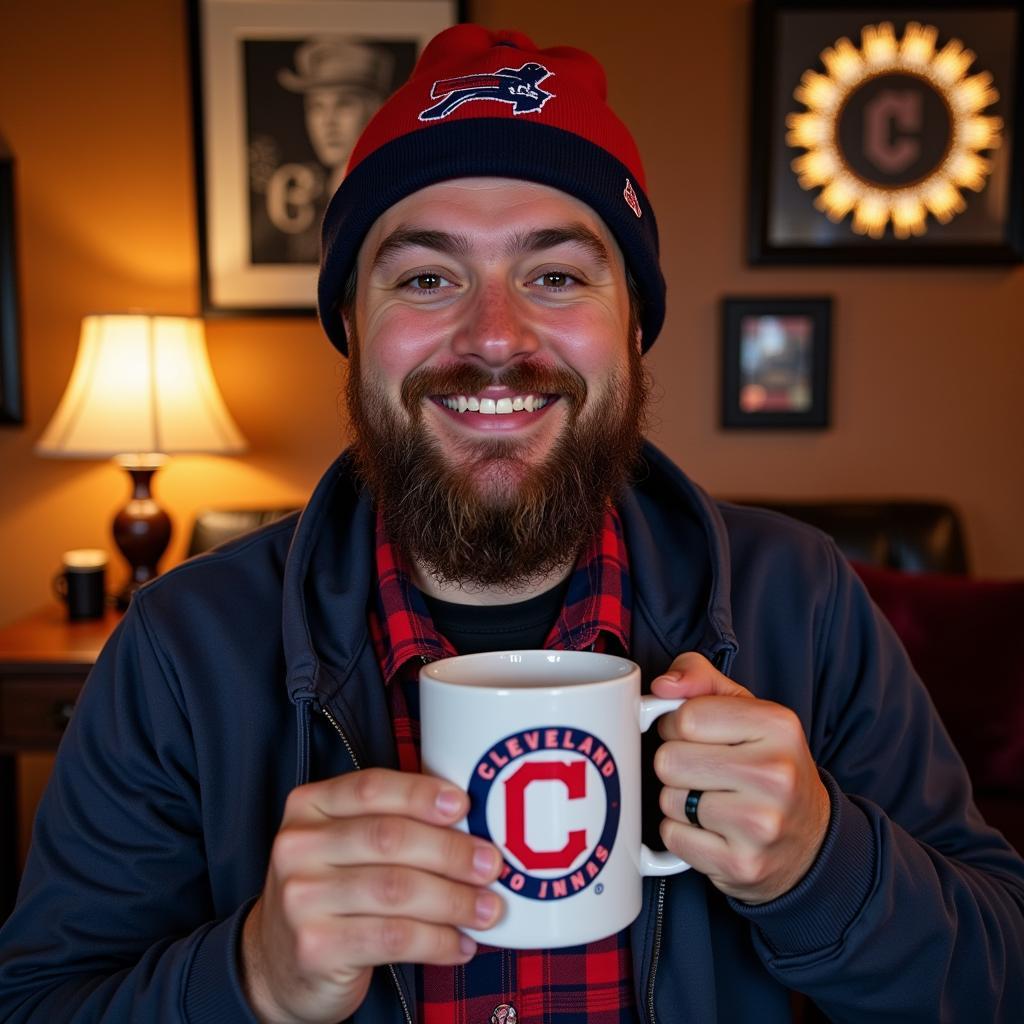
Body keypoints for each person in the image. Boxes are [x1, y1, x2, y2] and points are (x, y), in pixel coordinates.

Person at [1, 23, 1022, 1024]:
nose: (494, 337)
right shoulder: (183, 647)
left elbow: (1001, 971)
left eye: (557, 275)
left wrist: (819, 861)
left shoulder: (799, 599)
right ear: (352, 331)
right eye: (427, 278)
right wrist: (253, 976)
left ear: (633, 324)